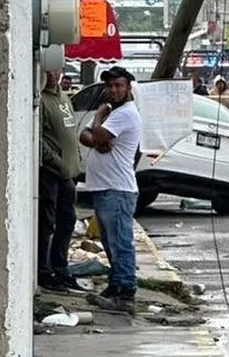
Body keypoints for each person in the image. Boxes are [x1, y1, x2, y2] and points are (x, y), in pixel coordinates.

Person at [80, 68, 144, 312]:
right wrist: (97, 136)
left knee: (120, 243)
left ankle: (126, 293)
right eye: (109, 86)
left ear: (128, 88)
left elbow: (95, 132)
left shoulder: (124, 113)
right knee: (110, 242)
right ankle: (115, 286)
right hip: (105, 187)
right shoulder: (113, 113)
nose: (113, 90)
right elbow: (85, 136)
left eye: (118, 85)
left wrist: (98, 117)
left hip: (117, 189)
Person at [38, 69, 81, 292]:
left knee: (67, 221)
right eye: (47, 71)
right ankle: (44, 271)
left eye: (55, 70)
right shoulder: (41, 99)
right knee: (47, 223)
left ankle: (61, 267)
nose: (52, 75)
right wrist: (58, 162)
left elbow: (71, 132)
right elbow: (38, 140)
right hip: (51, 173)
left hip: (68, 174)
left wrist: (77, 161)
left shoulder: (63, 97)